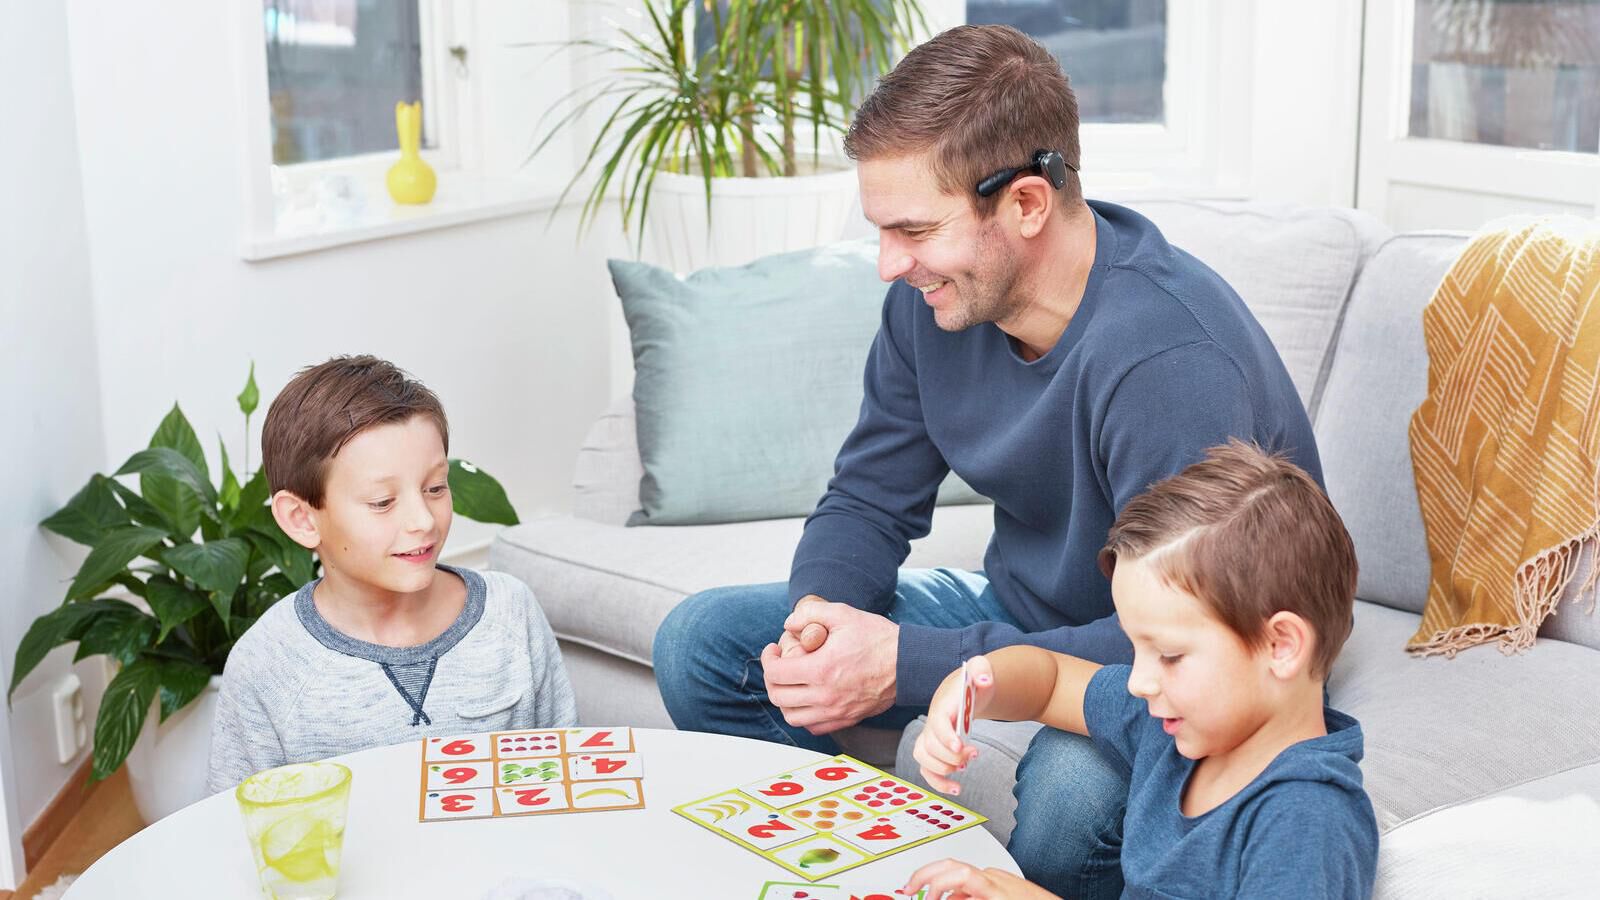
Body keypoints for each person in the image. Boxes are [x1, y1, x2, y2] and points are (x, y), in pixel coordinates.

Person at [651, 24, 1320, 896]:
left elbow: (1185, 634)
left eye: (916, 230)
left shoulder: (1169, 361)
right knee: (704, 645)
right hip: (1028, 605)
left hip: (1175, 651)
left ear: (1027, 205)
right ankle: (878, 871)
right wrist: (822, 621)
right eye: (882, 231)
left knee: (1072, 799)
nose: (891, 264)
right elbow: (867, 498)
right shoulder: (938, 305)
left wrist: (905, 663)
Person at [905, 442, 1378, 899]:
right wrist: (971, 685)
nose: (1138, 681)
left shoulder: (1307, 821)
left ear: (1280, 646)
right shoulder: (1168, 727)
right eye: (1136, 649)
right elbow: (1049, 681)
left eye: (1169, 655)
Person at [206, 355, 576, 793]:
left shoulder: (510, 613)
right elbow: (238, 825)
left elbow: (565, 776)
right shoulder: (267, 663)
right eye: (382, 502)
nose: (423, 520)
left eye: (435, 488)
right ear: (303, 519)